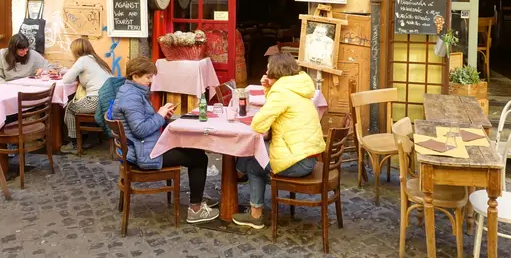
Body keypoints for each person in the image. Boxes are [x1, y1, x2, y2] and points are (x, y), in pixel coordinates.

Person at [111, 57, 220, 224]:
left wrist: (160, 114)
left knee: (194, 150)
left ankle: (197, 198)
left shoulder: (130, 92)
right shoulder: (131, 98)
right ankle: (195, 210)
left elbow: (142, 124)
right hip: (144, 154)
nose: (151, 80)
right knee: (199, 158)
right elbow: (140, 130)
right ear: (135, 76)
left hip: (144, 147)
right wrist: (160, 115)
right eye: (148, 77)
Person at [233, 53, 325, 229]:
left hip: (299, 161)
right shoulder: (297, 87)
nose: (266, 71)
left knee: (254, 162)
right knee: (255, 153)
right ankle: (239, 173)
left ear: (275, 71)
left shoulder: (282, 93)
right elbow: (276, 111)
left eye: (268, 68)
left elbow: (259, 125)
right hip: (308, 155)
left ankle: (255, 214)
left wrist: (271, 92)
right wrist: (269, 90)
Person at [59, 38, 113, 154]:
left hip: (95, 101)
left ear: (76, 51)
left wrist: (64, 73)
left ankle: (74, 143)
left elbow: (66, 80)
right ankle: (91, 138)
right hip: (108, 101)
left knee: (70, 108)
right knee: (81, 104)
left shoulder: (82, 60)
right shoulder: (97, 60)